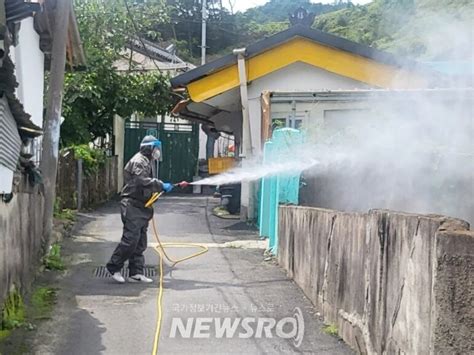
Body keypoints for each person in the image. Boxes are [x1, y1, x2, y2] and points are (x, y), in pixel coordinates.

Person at [106, 135, 173, 283]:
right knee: (131, 239)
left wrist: (158, 190)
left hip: (142, 205)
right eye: (156, 148)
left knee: (140, 241)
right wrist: (161, 185)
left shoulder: (148, 161)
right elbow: (140, 180)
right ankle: (114, 267)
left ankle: (136, 272)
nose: (157, 151)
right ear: (149, 148)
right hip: (132, 204)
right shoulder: (139, 161)